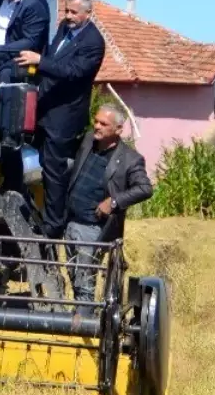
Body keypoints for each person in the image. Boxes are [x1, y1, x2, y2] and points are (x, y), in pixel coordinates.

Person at [15, 0, 106, 238]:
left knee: (55, 171)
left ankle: (54, 226)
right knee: (33, 164)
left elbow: (72, 71)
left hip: (65, 116)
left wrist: (39, 61)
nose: (68, 16)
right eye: (66, 10)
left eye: (74, 12)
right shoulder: (64, 30)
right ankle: (35, 211)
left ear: (88, 14)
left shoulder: (93, 42)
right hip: (46, 107)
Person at [62, 104, 152, 302]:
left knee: (84, 283)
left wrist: (113, 202)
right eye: (96, 121)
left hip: (94, 228)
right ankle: (82, 317)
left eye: (103, 123)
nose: (97, 126)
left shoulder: (130, 159)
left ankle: (84, 325)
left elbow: (145, 188)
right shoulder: (87, 142)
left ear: (118, 129)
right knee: (74, 276)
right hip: (71, 222)